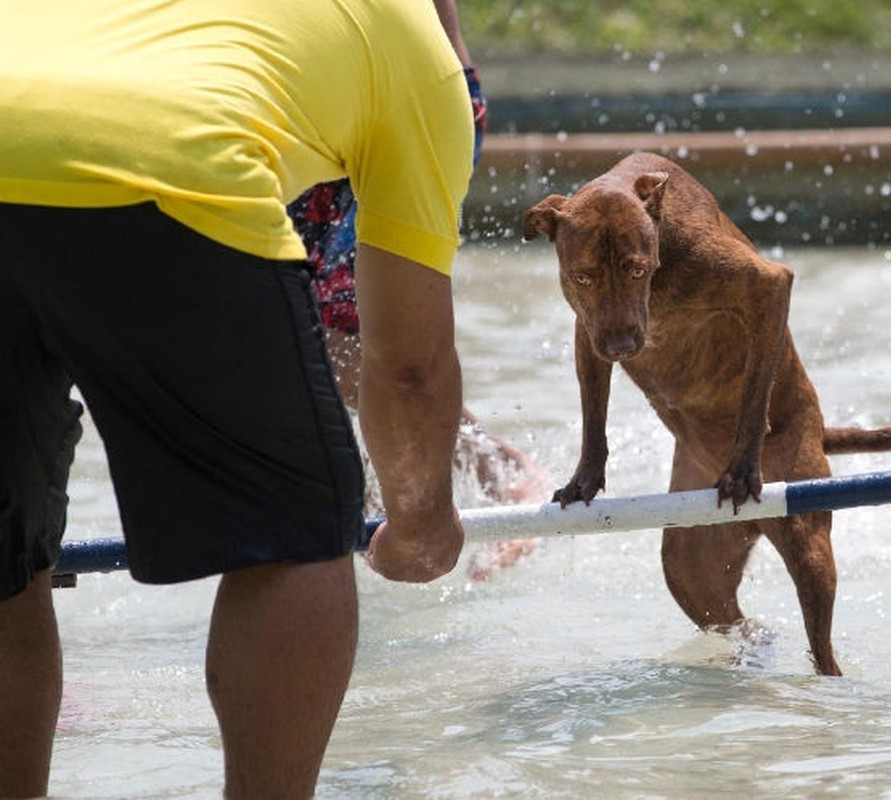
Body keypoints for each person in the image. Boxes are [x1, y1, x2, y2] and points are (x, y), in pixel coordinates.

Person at [0, 1, 471, 796]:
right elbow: (409, 367)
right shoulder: (413, 49)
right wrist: (422, 524)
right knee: (295, 532)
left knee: (4, 551)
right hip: (169, 170)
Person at [288, 0, 544, 580]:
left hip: (403, 100)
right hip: (311, 124)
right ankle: (376, 496)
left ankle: (498, 474)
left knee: (345, 337)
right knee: (292, 323)